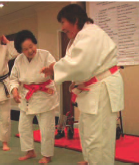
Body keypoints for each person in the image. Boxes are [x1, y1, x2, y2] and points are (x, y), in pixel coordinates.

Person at [41, 4, 124, 165]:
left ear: (76, 19)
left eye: (64, 22)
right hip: (94, 88)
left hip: (102, 88)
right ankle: (90, 160)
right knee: (87, 130)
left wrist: (54, 68)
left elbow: (78, 64)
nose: (63, 28)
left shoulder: (90, 34)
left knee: (99, 136)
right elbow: (79, 64)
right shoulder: (81, 36)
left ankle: (98, 162)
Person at [10, 30, 59, 164]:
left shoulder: (45, 55)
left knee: (46, 128)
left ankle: (47, 155)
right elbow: (13, 78)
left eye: (31, 46)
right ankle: (29, 151)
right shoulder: (19, 60)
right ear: (21, 51)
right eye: (26, 49)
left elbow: (56, 69)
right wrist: (14, 90)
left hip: (45, 95)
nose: (30, 50)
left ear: (35, 42)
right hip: (27, 96)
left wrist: (53, 69)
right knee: (23, 126)